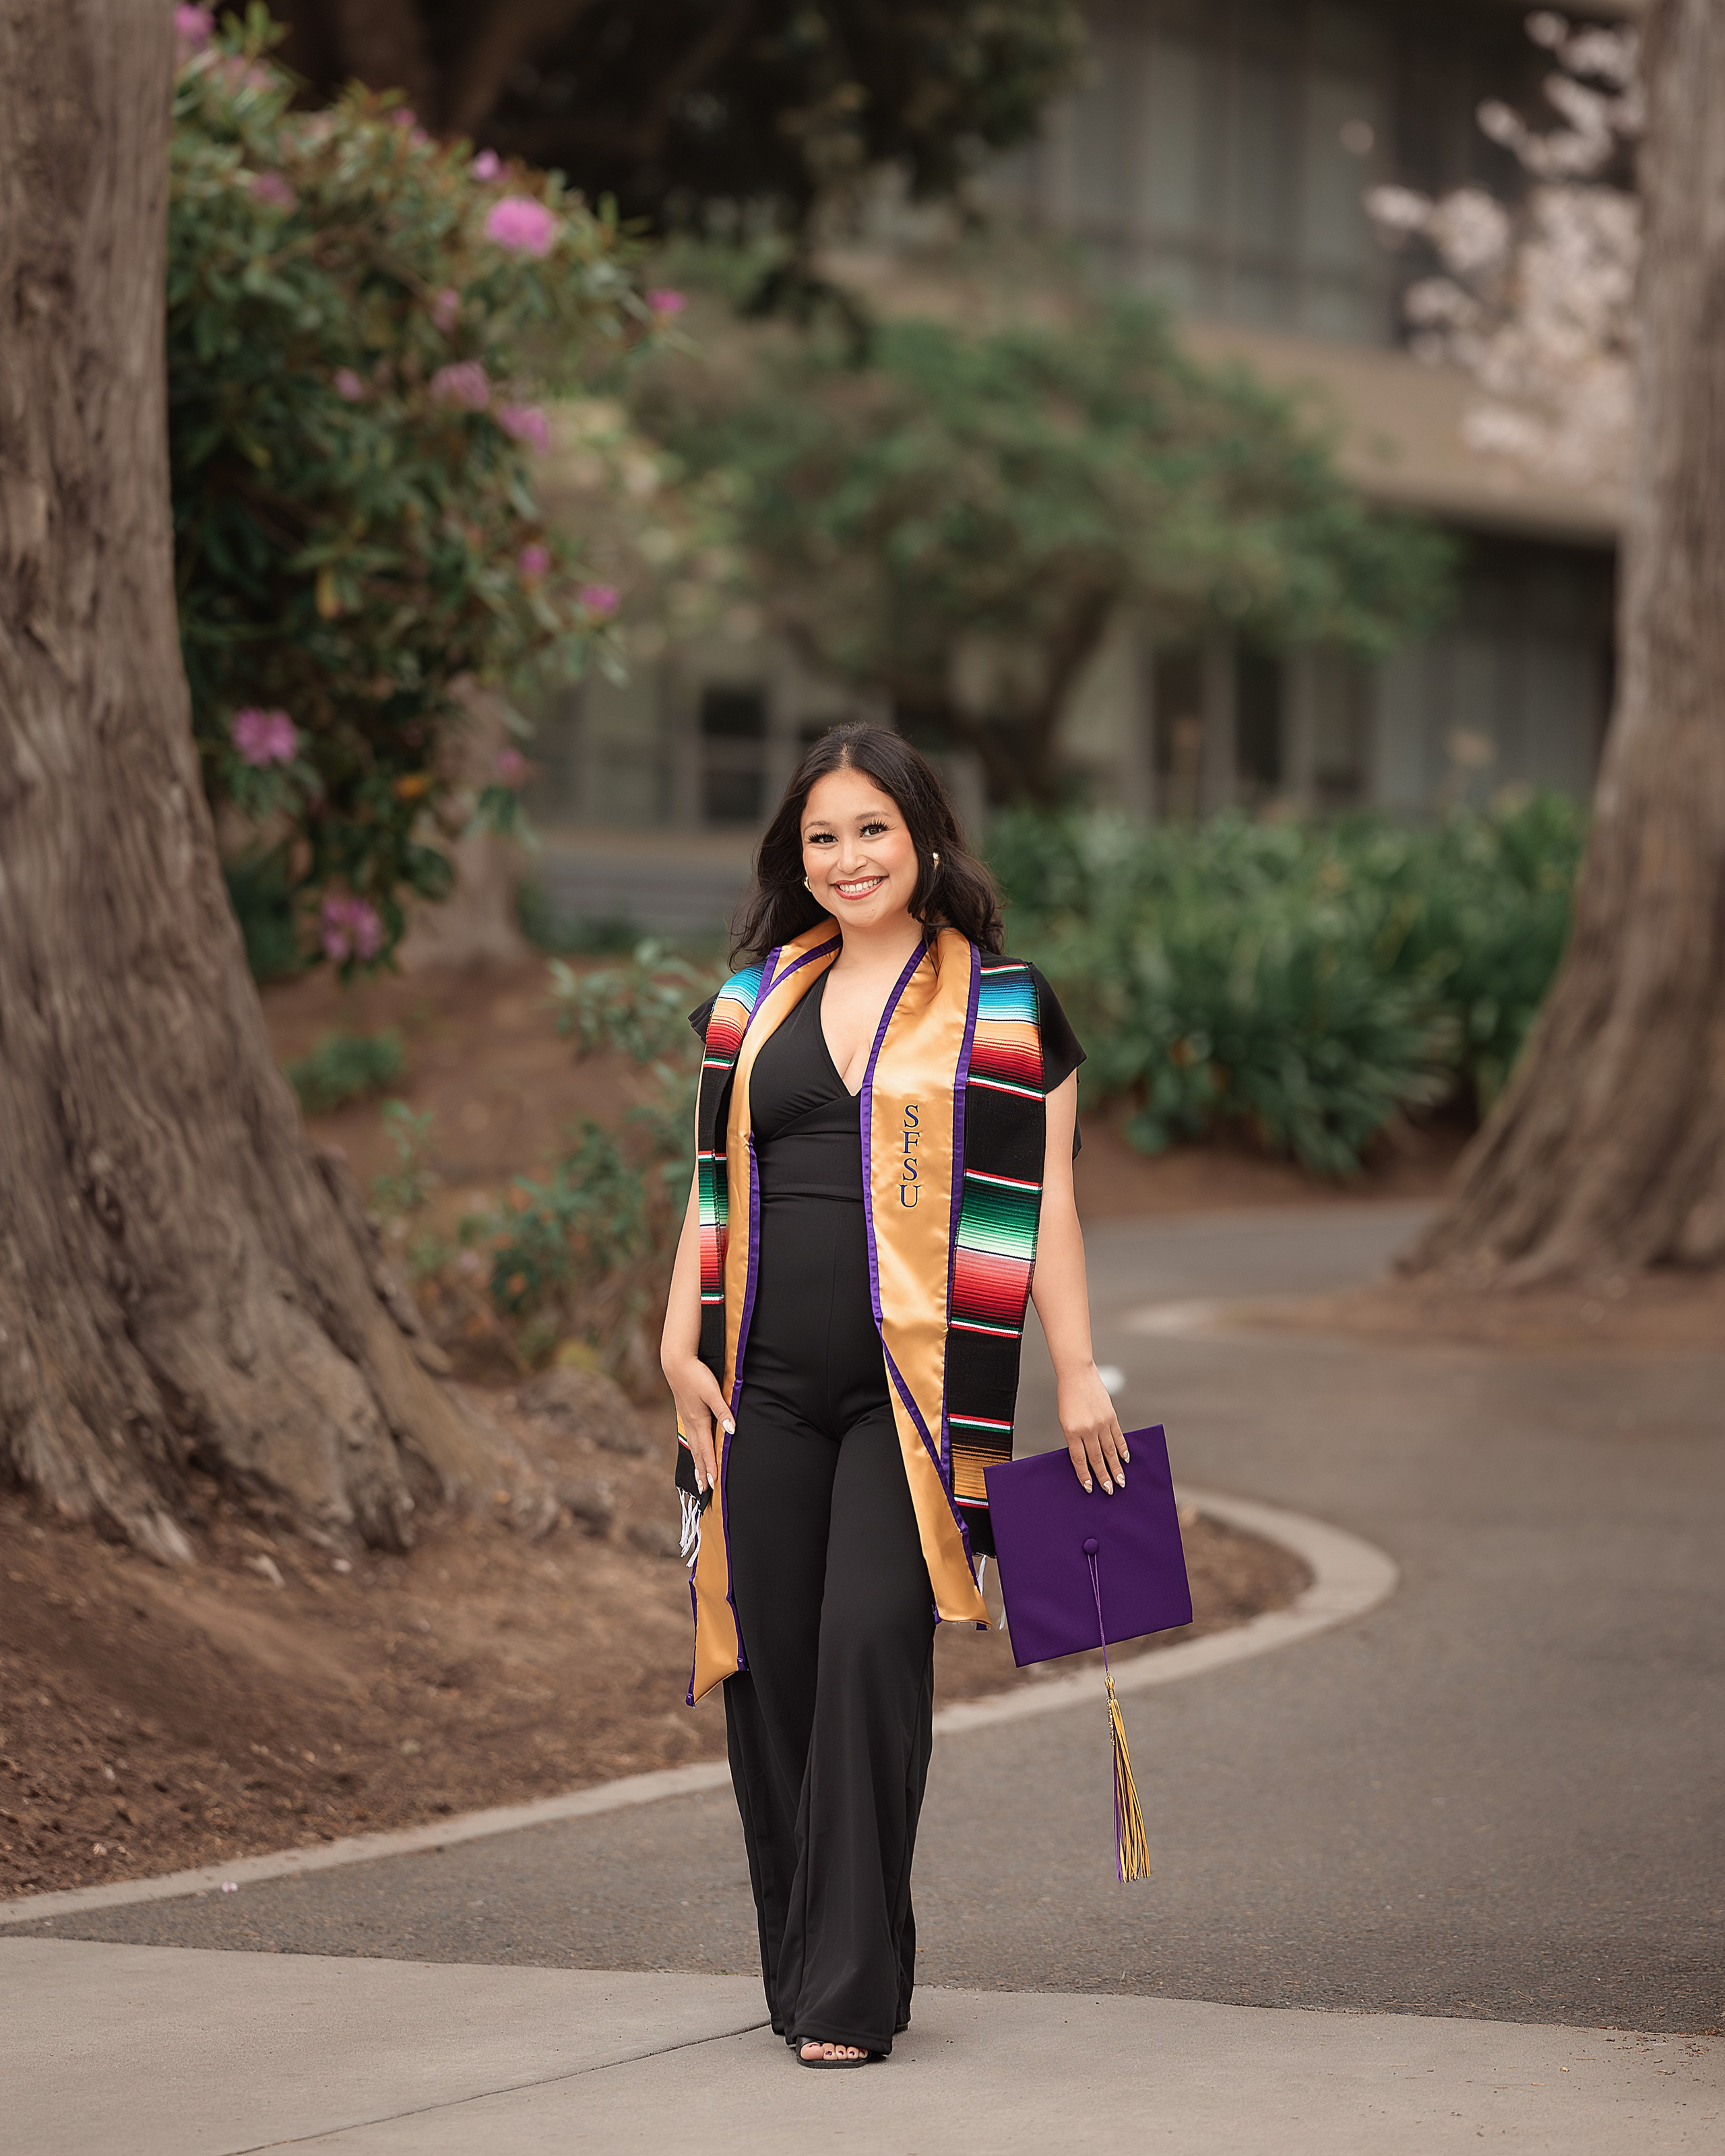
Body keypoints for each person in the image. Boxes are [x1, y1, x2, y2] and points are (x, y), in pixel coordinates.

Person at [660, 724, 1128, 2068]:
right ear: (791, 855)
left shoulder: (1003, 1004)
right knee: (774, 1672)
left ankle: (849, 1991)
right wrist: (668, 1346)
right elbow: (702, 1186)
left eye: (872, 828)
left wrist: (1079, 1367)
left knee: (869, 1644)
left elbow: (1051, 1212)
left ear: (922, 834)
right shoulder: (749, 1000)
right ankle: (812, 1964)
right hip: (755, 1383)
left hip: (907, 1398)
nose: (848, 857)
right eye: (821, 835)